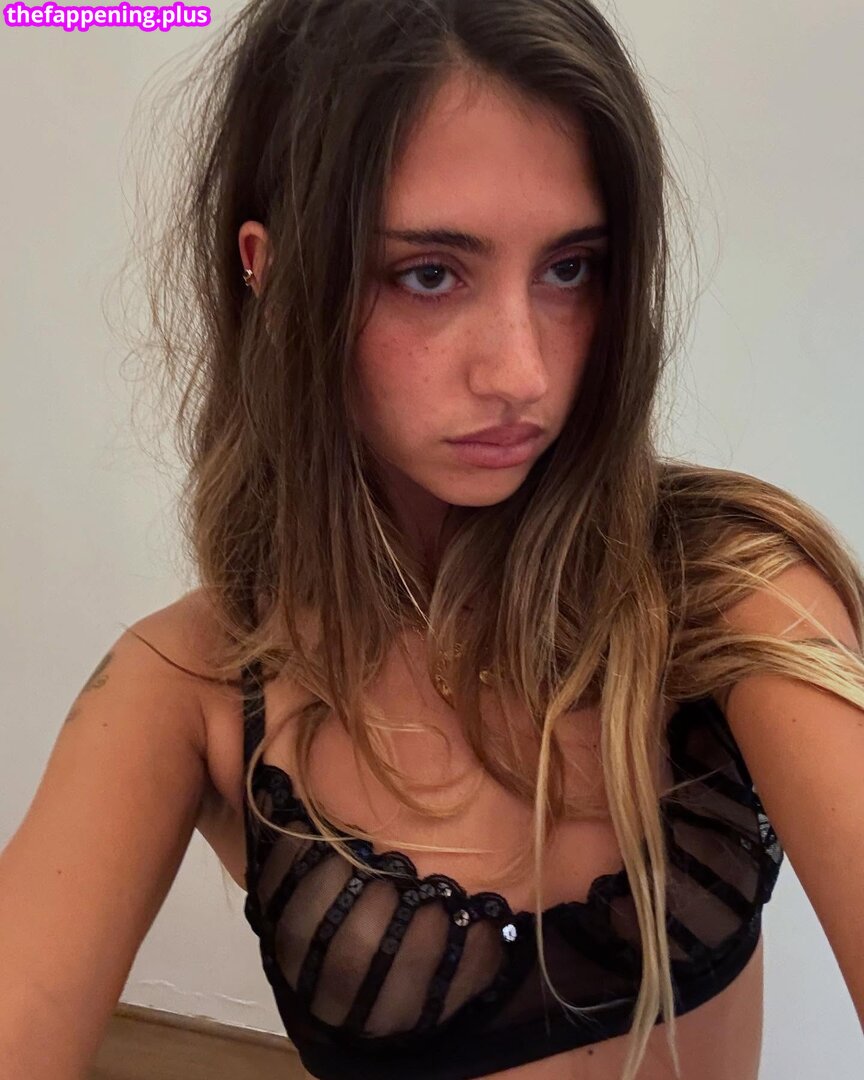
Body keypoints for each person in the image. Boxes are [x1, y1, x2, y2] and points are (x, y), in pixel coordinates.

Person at [2, 0, 863, 1078]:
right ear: (271, 273)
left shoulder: (728, 592)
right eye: (428, 273)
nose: (522, 373)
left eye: (570, 268)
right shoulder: (192, 687)